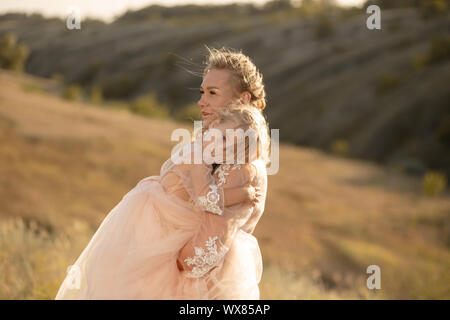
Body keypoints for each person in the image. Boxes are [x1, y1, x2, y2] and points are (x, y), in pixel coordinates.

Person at [55, 46, 270, 299]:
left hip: (179, 276)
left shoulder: (238, 162)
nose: (202, 101)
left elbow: (210, 241)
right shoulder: (216, 140)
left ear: (243, 99)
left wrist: (171, 262)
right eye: (202, 92)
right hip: (155, 258)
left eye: (213, 93)